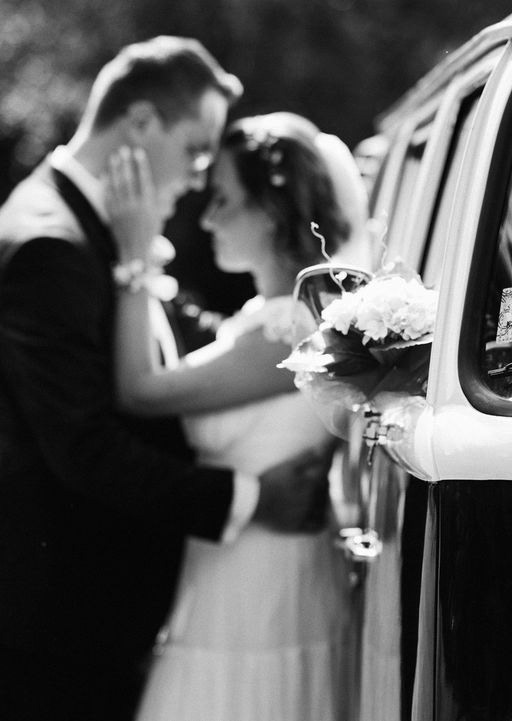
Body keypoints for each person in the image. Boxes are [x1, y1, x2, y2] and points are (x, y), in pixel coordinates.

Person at [0, 38, 330, 721]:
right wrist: (250, 498)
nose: (200, 173)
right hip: (58, 621)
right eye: (195, 149)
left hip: (115, 616)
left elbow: (183, 336)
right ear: (142, 122)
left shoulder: (105, 231)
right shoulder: (49, 244)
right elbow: (83, 446)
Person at [106, 111, 366, 721]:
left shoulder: (292, 329)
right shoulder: (265, 316)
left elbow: (140, 392)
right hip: (233, 572)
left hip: (264, 584)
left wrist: (134, 259)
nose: (207, 219)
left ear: (270, 211)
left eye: (222, 199)